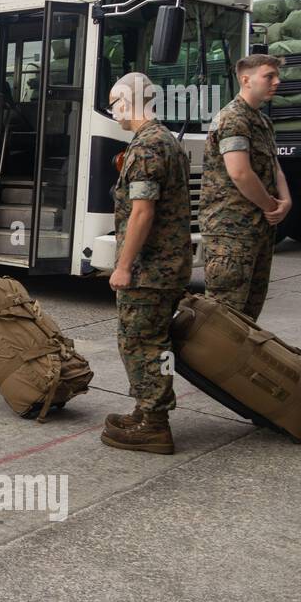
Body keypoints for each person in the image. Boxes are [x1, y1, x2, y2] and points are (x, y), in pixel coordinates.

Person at [102, 73, 193, 455]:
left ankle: (154, 424)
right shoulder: (165, 139)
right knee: (149, 340)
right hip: (167, 264)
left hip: (151, 269)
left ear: (127, 100)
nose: (112, 111)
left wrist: (122, 266)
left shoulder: (147, 146)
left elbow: (142, 213)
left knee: (142, 342)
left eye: (113, 103)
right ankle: (144, 411)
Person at [201, 54, 289, 321]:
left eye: (277, 76)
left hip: (257, 230)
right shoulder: (233, 118)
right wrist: (272, 206)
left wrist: (286, 201)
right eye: (269, 76)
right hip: (231, 234)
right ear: (246, 79)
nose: (276, 81)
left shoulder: (263, 122)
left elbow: (274, 167)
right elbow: (240, 172)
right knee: (223, 319)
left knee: (248, 317)